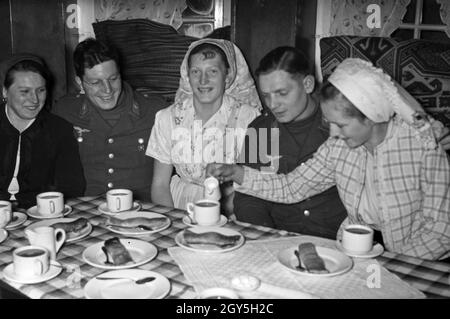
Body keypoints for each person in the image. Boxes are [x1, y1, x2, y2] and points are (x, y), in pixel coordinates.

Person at [207, 58, 450, 261]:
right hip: (352, 252)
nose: (333, 133)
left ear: (372, 116)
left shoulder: (424, 146)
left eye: (341, 124)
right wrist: (237, 173)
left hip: (414, 260)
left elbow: (441, 232)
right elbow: (292, 186)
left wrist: (391, 263)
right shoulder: (338, 147)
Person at [233, 47, 346, 239]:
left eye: (282, 93)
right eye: (266, 95)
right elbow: (248, 198)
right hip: (277, 234)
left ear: (308, 84)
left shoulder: (341, 126)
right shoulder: (261, 129)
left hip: (337, 239)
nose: (272, 104)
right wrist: (268, 239)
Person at [146, 38, 261, 209]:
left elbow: (257, 183)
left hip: (234, 206)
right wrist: (175, 222)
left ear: (228, 77)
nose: (203, 80)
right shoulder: (167, 118)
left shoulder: (251, 119)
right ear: (187, 76)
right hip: (179, 206)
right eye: (196, 72)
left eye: (213, 71)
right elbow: (160, 184)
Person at [53, 38, 168, 201]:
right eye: (95, 82)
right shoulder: (65, 110)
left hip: (141, 211)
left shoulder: (155, 110)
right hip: (86, 212)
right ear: (80, 82)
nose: (107, 90)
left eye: (113, 79)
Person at [0, 54, 85, 209]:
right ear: (5, 92)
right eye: (24, 91)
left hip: (41, 214)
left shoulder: (59, 130)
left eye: (40, 90)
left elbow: (72, 187)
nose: (34, 100)